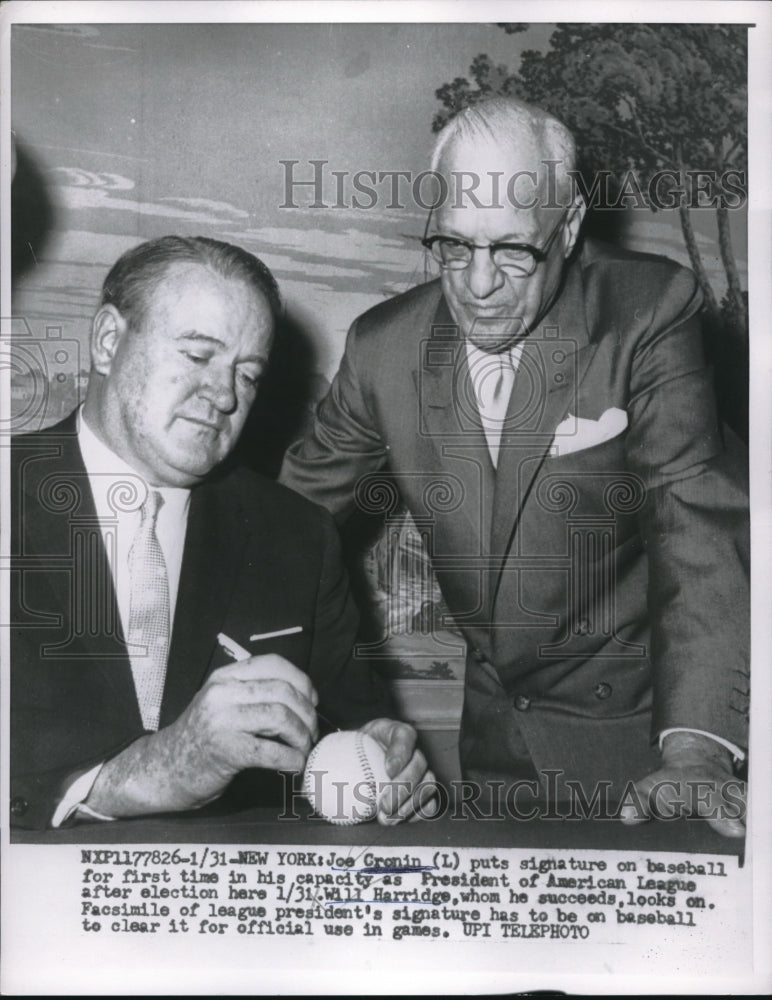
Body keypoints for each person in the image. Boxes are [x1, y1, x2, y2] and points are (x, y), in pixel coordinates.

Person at [280, 97, 749, 836]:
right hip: (496, 758)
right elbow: (286, 533)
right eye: (454, 246)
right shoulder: (383, 349)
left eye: (512, 250)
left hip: (649, 754)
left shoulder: (648, 311)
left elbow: (697, 525)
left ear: (567, 229)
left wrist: (694, 750)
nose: (477, 283)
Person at [10, 235, 432, 831]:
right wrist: (145, 775)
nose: (226, 395)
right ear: (108, 341)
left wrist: (390, 772)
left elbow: (348, 735)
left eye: (248, 374)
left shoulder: (298, 538)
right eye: (198, 355)